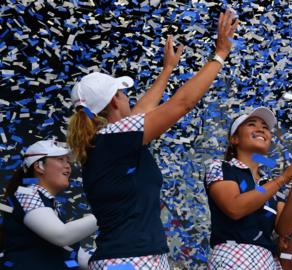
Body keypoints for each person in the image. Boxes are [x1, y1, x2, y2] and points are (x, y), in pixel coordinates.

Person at [66, 10, 238, 269]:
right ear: (114, 100)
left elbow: (142, 111)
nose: (129, 98)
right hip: (131, 259)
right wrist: (220, 54)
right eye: (123, 93)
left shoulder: (106, 141)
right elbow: (183, 103)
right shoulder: (115, 138)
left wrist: (167, 70)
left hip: (126, 257)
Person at [205, 107, 292, 269]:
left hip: (265, 261)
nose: (261, 129)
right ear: (234, 139)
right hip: (231, 258)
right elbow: (235, 208)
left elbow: (284, 229)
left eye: (265, 127)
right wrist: (282, 179)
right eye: (251, 124)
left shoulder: (268, 184)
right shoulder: (221, 167)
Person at [1, 140, 98, 269]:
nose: (68, 166)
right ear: (38, 166)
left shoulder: (52, 206)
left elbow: (78, 256)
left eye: (67, 160)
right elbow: (61, 236)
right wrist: (110, 213)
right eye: (60, 159)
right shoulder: (27, 193)